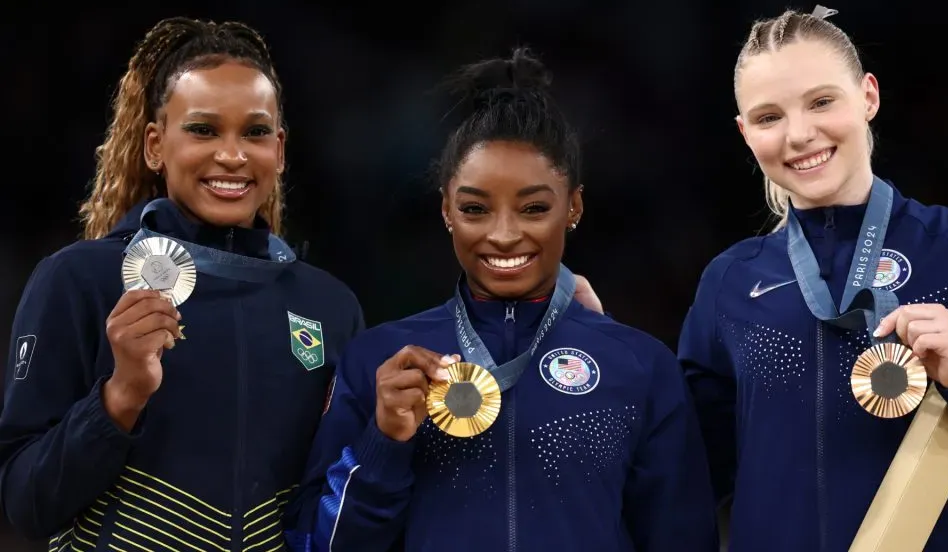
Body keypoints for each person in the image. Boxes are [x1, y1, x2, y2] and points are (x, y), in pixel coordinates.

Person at [579, 5, 948, 551]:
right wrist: (609, 365)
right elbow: (685, 471)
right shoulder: (731, 282)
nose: (799, 134)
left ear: (868, 96)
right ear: (745, 133)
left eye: (821, 102)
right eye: (769, 117)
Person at [283, 48, 718, 552]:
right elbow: (316, 543)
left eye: (534, 208)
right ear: (447, 209)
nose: (505, 234)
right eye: (475, 209)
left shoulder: (640, 368)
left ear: (573, 206)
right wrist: (383, 441)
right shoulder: (381, 363)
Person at [0, 17, 363, 550]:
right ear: (154, 145)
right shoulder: (80, 280)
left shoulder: (329, 305)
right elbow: (25, 503)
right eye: (203, 129)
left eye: (255, 132)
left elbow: (334, 510)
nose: (233, 155)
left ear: (279, 152)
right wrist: (121, 394)